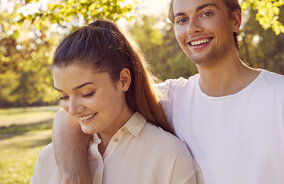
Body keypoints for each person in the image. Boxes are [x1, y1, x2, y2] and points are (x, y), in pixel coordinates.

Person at [52, 0, 284, 184]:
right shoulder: (171, 99)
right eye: (182, 19)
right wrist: (73, 176)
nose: (192, 28)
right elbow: (76, 109)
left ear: (235, 20)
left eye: (206, 13)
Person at [30, 20, 202, 184]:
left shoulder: (169, 156)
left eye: (87, 93)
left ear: (124, 80)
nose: (73, 109)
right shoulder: (49, 158)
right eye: (64, 96)